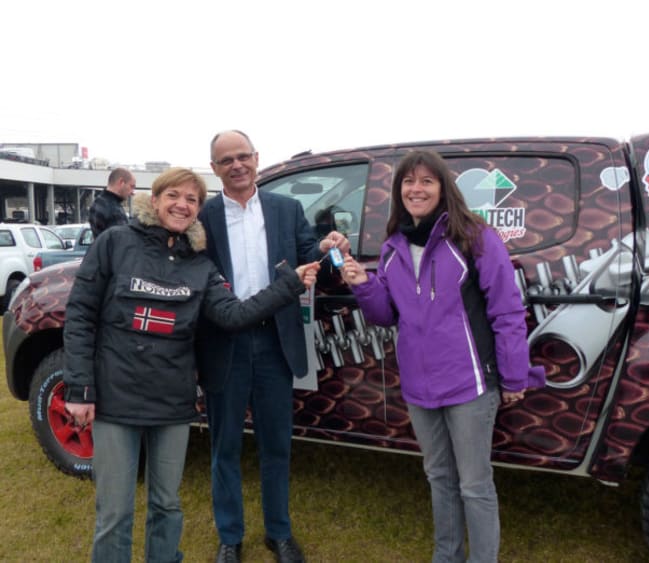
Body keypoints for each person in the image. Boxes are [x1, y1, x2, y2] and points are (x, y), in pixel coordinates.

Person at [63, 167, 320, 563]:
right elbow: (80, 313)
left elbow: (234, 314)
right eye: (174, 196)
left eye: (192, 200)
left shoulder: (200, 265)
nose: (182, 205)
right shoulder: (115, 242)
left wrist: (289, 283)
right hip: (116, 397)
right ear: (156, 198)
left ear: (199, 210)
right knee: (115, 513)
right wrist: (80, 388)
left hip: (172, 401)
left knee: (167, 506)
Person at [341, 150, 545, 562]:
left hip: (470, 383)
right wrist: (363, 283)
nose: (416, 189)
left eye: (426, 181)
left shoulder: (474, 238)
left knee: (474, 484)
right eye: (408, 182)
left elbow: (507, 311)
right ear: (399, 191)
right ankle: (446, 555)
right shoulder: (393, 246)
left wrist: (513, 377)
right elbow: (385, 315)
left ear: (443, 188)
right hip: (419, 386)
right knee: (438, 477)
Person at [197, 130, 349, 563]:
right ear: (215, 168)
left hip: (273, 341)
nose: (237, 165)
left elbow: (307, 251)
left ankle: (278, 533)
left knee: (276, 443)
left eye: (243, 156)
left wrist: (326, 245)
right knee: (224, 445)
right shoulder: (203, 218)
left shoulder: (286, 209)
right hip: (224, 341)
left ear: (257, 159)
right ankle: (230, 537)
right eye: (226, 160)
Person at [88, 167, 136, 237]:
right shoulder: (113, 209)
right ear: (121, 182)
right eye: (132, 186)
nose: (132, 192)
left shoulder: (98, 202)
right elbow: (123, 241)